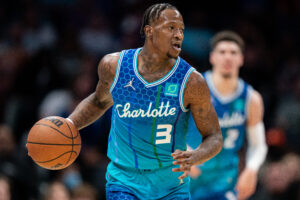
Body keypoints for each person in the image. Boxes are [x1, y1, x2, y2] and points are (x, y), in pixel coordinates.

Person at [67, 3, 223, 200]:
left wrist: (195, 157)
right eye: (171, 27)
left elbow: (214, 136)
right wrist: (69, 124)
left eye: (181, 29)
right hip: (124, 182)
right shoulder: (114, 66)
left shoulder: (191, 81)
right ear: (149, 31)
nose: (179, 35)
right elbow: (99, 102)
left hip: (171, 186)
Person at [187, 31, 268, 200]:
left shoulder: (251, 99)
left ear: (241, 59)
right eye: (222, 52)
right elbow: (162, 124)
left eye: (233, 53)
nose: (228, 57)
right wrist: (179, 149)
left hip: (224, 180)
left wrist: (251, 170)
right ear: (212, 57)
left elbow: (258, 145)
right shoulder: (193, 88)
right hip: (189, 176)